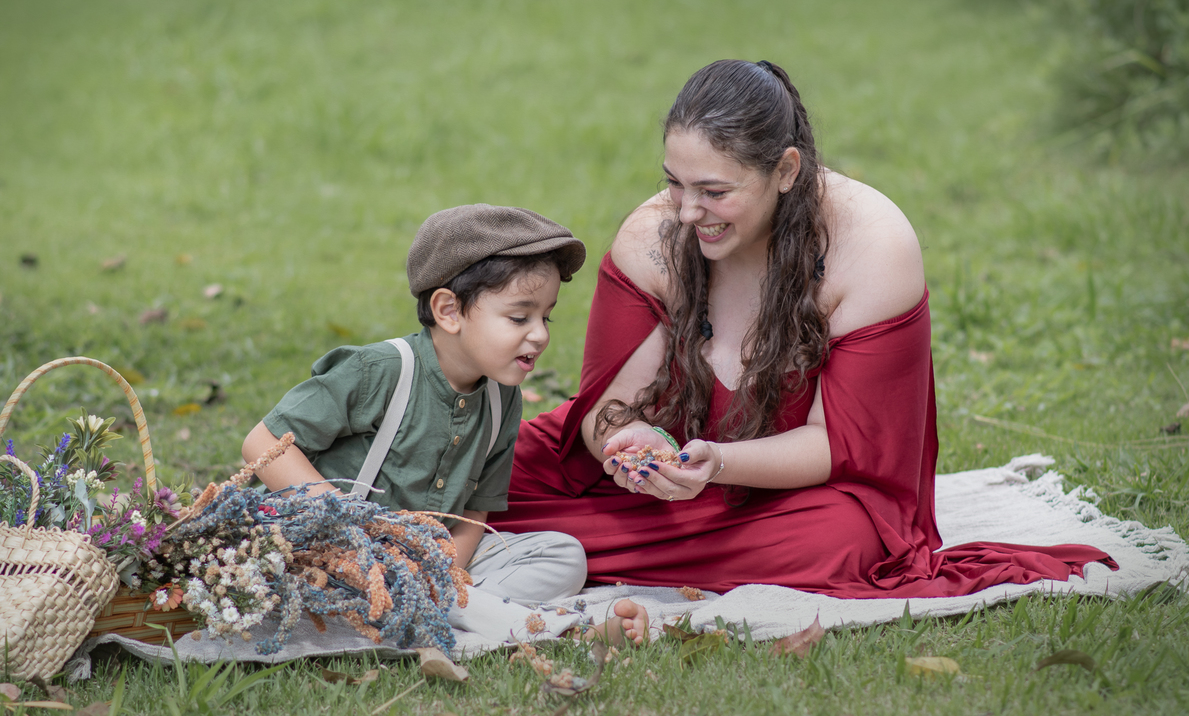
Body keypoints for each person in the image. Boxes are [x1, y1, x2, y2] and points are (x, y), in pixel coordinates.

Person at [490, 60, 1115, 597]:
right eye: (674, 183)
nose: (685, 212)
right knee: (483, 459)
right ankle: (552, 545)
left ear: (786, 170)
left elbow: (841, 448)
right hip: (654, 489)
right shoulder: (653, 236)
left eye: (713, 191)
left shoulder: (872, 245)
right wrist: (630, 449)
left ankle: (545, 550)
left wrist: (717, 464)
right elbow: (606, 411)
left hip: (788, 496)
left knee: (843, 540)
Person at [241, 204, 596, 607]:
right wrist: (347, 528)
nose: (540, 336)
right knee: (286, 580)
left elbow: (475, 512)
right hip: (329, 551)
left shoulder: (502, 397)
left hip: (428, 559)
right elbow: (263, 444)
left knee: (563, 555)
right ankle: (452, 614)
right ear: (448, 311)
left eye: (546, 318)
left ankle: (427, 608)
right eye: (519, 318)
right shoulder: (378, 371)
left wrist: (445, 574)